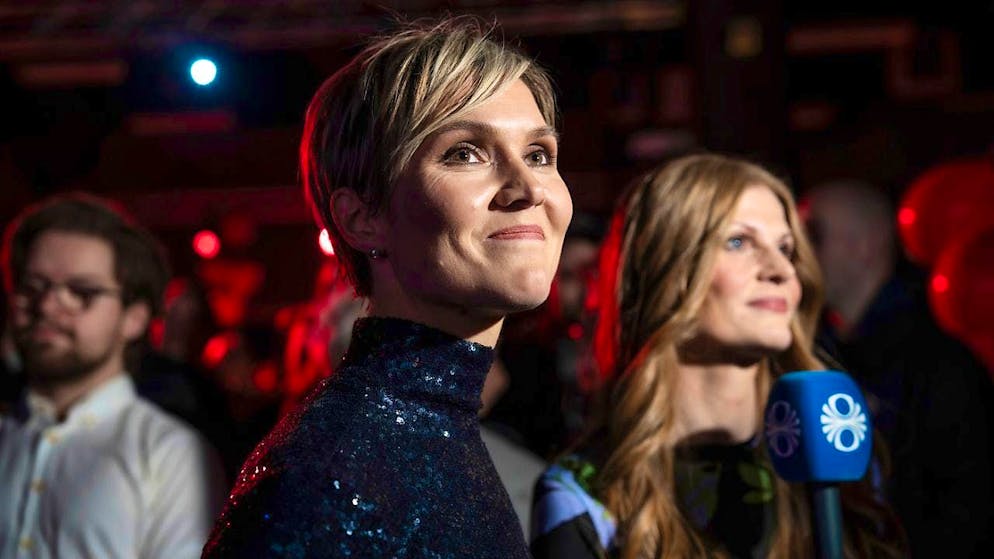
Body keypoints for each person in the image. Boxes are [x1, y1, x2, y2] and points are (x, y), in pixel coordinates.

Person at [203, 17, 572, 558]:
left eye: (539, 154)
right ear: (363, 218)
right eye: (465, 152)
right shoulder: (331, 475)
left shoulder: (431, 430)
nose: (527, 188)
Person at [531, 154, 904, 558]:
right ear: (667, 270)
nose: (780, 270)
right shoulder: (587, 492)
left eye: (787, 248)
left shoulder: (835, 449)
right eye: (739, 242)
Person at [0, 194, 225, 559]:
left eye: (82, 292)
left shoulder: (170, 455)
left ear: (134, 317)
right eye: (32, 287)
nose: (48, 305)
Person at [804, 180, 994, 558]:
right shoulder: (815, 354)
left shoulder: (938, 362)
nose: (795, 254)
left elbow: (969, 513)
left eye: (813, 233)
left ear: (864, 245)